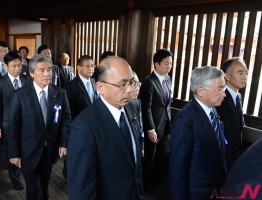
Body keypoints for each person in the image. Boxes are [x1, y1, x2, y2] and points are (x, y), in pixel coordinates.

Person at [67, 56, 144, 200]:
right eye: (122, 84)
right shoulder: (84, 126)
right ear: (100, 87)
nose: (129, 90)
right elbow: (81, 189)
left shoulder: (132, 108)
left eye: (131, 82)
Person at [6, 54, 71, 199]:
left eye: (49, 70)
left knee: (44, 185)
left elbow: (66, 120)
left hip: (49, 150)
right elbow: (13, 127)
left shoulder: (59, 93)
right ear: (31, 73)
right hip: (27, 151)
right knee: (34, 189)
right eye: (42, 70)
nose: (47, 74)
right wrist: (14, 153)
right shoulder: (20, 95)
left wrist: (64, 143)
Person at [169, 66, 227, 200]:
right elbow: (178, 169)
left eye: (224, 88)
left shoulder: (212, 109)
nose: (224, 93)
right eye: (220, 89)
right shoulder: (185, 121)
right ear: (201, 91)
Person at [0, 51, 31, 190]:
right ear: (6, 65)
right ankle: (14, 177)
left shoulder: (27, 80)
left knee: (25, 149)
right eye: (14, 66)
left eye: (19, 65)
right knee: (11, 151)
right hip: (8, 124)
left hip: (26, 123)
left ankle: (23, 171)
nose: (17, 69)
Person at [139, 48, 172, 198]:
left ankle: (157, 183)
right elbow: (146, 108)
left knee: (163, 156)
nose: (169, 66)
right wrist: (150, 129)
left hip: (165, 125)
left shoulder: (168, 79)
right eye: (166, 63)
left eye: (170, 63)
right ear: (156, 64)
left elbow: (167, 104)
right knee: (149, 159)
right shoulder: (148, 82)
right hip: (153, 127)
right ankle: (145, 185)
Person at [216, 57, 248, 171]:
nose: (245, 77)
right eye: (240, 73)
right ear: (227, 76)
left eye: (246, 73)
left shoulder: (238, 96)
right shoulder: (219, 97)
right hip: (222, 157)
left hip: (236, 155)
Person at [65, 55, 98, 120]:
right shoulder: (71, 86)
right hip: (80, 124)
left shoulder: (95, 82)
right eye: (87, 66)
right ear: (79, 68)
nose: (91, 69)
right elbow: (69, 111)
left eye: (92, 66)